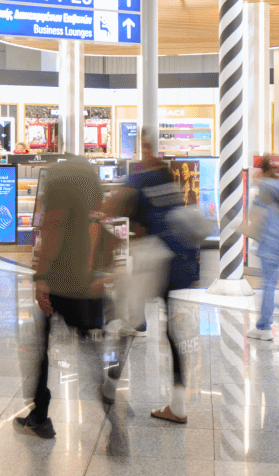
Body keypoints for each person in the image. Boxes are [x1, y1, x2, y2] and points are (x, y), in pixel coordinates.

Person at [100, 137, 196, 423]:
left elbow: (116, 208)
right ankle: (178, 405)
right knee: (170, 332)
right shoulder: (167, 175)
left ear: (144, 148)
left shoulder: (139, 175)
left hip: (149, 255)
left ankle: (109, 386)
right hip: (175, 255)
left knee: (125, 321)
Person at [15, 155, 106, 440]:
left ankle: (40, 416)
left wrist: (41, 277)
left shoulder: (57, 178)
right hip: (84, 279)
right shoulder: (90, 178)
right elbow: (96, 224)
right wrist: (91, 269)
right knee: (90, 349)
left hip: (59, 280)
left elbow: (52, 228)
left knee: (40, 349)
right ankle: (111, 406)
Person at [246, 157, 279, 342]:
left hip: (269, 242)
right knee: (272, 283)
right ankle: (266, 324)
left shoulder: (265, 187)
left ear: (262, 169)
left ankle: (267, 326)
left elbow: (256, 214)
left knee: (268, 285)